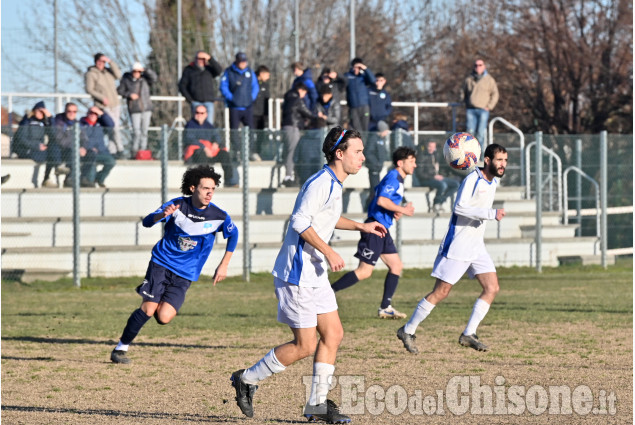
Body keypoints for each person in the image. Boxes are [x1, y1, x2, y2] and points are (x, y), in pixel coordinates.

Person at [230, 127, 387, 423]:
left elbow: (326, 218)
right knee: (305, 345)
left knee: (334, 334)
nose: (363, 157)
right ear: (339, 154)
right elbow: (300, 222)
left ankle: (316, 405)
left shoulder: (334, 183)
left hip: (314, 274)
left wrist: (361, 227)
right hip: (297, 274)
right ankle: (246, 379)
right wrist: (329, 251)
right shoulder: (321, 184)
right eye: (358, 151)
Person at [110, 165, 239, 364]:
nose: (209, 193)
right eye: (205, 188)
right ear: (192, 188)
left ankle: (154, 301)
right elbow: (146, 222)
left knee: (164, 317)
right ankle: (121, 348)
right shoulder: (177, 205)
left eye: (212, 189)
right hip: (161, 263)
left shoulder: (218, 216)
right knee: (148, 310)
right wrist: (162, 216)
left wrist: (224, 264)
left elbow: (233, 234)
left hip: (186, 273)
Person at [397, 144, 508, 354]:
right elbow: (458, 207)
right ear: (486, 160)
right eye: (499, 160)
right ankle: (408, 329)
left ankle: (469, 333)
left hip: (476, 246)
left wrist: (488, 215)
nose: (503, 165)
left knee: (492, 288)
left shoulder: (492, 182)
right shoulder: (473, 179)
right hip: (459, 244)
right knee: (441, 292)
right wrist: (491, 213)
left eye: (505, 160)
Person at [331, 147, 417, 319]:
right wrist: (401, 209)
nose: (415, 164)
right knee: (364, 271)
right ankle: (327, 292)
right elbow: (381, 200)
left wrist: (394, 213)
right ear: (401, 163)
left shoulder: (397, 179)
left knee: (396, 266)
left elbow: (379, 195)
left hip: (382, 228)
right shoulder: (394, 178)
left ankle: (385, 307)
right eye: (411, 161)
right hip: (374, 229)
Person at [183, 105, 238, 187]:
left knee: (224, 154)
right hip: (197, 154)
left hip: (210, 152)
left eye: (202, 113)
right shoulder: (190, 125)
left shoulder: (209, 126)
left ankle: (229, 180)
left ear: (206, 114)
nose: (199, 115)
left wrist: (216, 143)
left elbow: (216, 136)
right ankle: (204, 182)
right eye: (197, 112)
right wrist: (204, 147)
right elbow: (189, 139)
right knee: (200, 153)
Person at [219, 52, 259, 160]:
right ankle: (236, 152)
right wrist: (232, 98)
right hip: (234, 107)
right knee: (234, 131)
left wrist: (251, 98)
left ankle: (250, 151)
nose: (243, 64)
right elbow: (223, 86)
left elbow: (255, 87)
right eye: (241, 61)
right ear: (236, 61)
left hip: (247, 106)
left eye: (244, 61)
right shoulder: (229, 72)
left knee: (251, 130)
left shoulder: (250, 72)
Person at [85, 53, 124, 157]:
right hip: (103, 106)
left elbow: (119, 75)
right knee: (113, 127)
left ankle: (113, 151)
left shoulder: (108, 72)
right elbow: (89, 89)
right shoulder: (91, 74)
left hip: (115, 104)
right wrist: (102, 98)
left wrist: (110, 62)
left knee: (114, 128)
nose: (101, 63)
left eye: (103, 61)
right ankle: (120, 149)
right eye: (99, 61)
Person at [280, 81, 318, 187]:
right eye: (304, 93)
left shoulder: (289, 98)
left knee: (289, 150)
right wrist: (316, 116)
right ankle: (288, 176)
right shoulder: (296, 99)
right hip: (292, 126)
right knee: (292, 151)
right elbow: (306, 111)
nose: (304, 96)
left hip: (288, 126)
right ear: (301, 90)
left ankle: (290, 174)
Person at [117, 62, 157, 159]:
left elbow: (154, 78)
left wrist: (146, 70)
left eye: (138, 71)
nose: (137, 73)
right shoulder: (126, 80)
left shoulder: (144, 80)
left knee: (144, 131)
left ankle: (143, 151)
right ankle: (134, 151)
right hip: (134, 109)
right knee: (136, 132)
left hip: (146, 108)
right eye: (135, 71)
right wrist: (129, 94)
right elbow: (119, 90)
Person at [462, 59, 499, 155]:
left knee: (480, 134)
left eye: (480, 65)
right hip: (470, 109)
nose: (478, 67)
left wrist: (489, 106)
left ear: (484, 66)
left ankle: (479, 155)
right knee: (469, 133)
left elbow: (495, 94)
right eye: (476, 65)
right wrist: (465, 102)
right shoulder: (469, 79)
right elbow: (463, 92)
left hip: (483, 110)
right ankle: (469, 155)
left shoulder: (489, 80)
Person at [12, 101, 53, 187]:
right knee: (44, 155)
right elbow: (21, 138)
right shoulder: (26, 121)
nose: (41, 113)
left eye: (43, 111)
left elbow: (54, 132)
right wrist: (37, 146)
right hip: (26, 149)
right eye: (39, 111)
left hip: (39, 148)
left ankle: (47, 178)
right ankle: (42, 179)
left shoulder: (44, 122)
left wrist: (50, 117)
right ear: (34, 111)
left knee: (53, 153)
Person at [414, 140, 460, 213]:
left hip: (436, 177)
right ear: (426, 146)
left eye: (433, 147)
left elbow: (442, 166)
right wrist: (433, 176)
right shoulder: (421, 156)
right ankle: (436, 203)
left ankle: (441, 201)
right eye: (430, 146)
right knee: (443, 185)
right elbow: (419, 174)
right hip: (426, 179)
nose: (431, 149)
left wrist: (440, 175)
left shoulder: (436, 155)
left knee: (456, 184)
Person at [178, 51, 223, 125]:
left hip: (209, 102)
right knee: (196, 124)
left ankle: (207, 137)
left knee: (209, 125)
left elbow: (219, 71)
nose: (201, 61)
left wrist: (210, 58)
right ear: (195, 59)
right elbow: (182, 86)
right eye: (199, 58)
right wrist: (190, 99)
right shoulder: (189, 70)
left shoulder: (209, 69)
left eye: (203, 59)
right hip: (196, 102)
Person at [79, 106, 116, 188]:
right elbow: (81, 139)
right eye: (91, 113)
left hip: (101, 152)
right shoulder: (81, 124)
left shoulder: (100, 124)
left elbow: (111, 124)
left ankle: (99, 178)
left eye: (95, 114)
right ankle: (90, 181)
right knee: (91, 173)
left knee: (111, 162)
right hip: (89, 153)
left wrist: (102, 113)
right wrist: (89, 148)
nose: (93, 115)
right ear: (87, 114)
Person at [344, 58, 376, 132]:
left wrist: (365, 69)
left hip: (364, 105)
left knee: (365, 127)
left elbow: (373, 80)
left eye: (358, 67)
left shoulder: (364, 76)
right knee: (356, 128)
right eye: (355, 67)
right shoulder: (348, 76)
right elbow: (343, 80)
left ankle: (363, 143)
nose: (356, 69)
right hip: (353, 106)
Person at [293, 117, 327, 186]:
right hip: (320, 175)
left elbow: (295, 158)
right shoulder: (324, 141)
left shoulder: (303, 139)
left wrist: (298, 172)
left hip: (304, 174)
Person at [251, 65, 271, 161]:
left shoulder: (265, 85)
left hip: (262, 115)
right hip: (252, 113)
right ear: (261, 74)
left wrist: (267, 114)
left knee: (261, 135)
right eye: (267, 75)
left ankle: (257, 152)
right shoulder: (252, 82)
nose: (268, 77)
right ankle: (250, 152)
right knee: (251, 134)